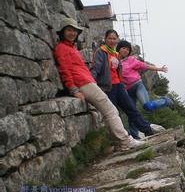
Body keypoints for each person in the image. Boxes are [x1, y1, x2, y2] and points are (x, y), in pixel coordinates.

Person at [53, 17, 141, 150]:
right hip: (83, 84)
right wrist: (73, 89)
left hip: (88, 82)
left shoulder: (70, 48)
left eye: (74, 31)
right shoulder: (61, 48)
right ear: (62, 32)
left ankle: (119, 142)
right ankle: (125, 141)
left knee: (109, 111)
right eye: (69, 30)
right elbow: (65, 70)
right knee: (111, 110)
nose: (72, 33)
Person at [90, 30, 153, 139]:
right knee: (115, 114)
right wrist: (92, 84)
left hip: (119, 86)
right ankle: (121, 138)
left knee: (131, 109)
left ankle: (147, 130)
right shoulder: (101, 52)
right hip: (108, 88)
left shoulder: (115, 53)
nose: (112, 41)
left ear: (117, 40)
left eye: (114, 39)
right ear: (105, 39)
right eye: (109, 38)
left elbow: (119, 70)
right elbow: (96, 69)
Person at [116, 40, 173, 112]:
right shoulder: (115, 61)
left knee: (148, 106)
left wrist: (159, 69)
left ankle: (166, 100)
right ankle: (135, 123)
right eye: (124, 48)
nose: (126, 50)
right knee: (131, 112)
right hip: (128, 90)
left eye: (127, 49)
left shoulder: (131, 60)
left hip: (137, 86)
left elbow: (145, 66)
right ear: (119, 48)